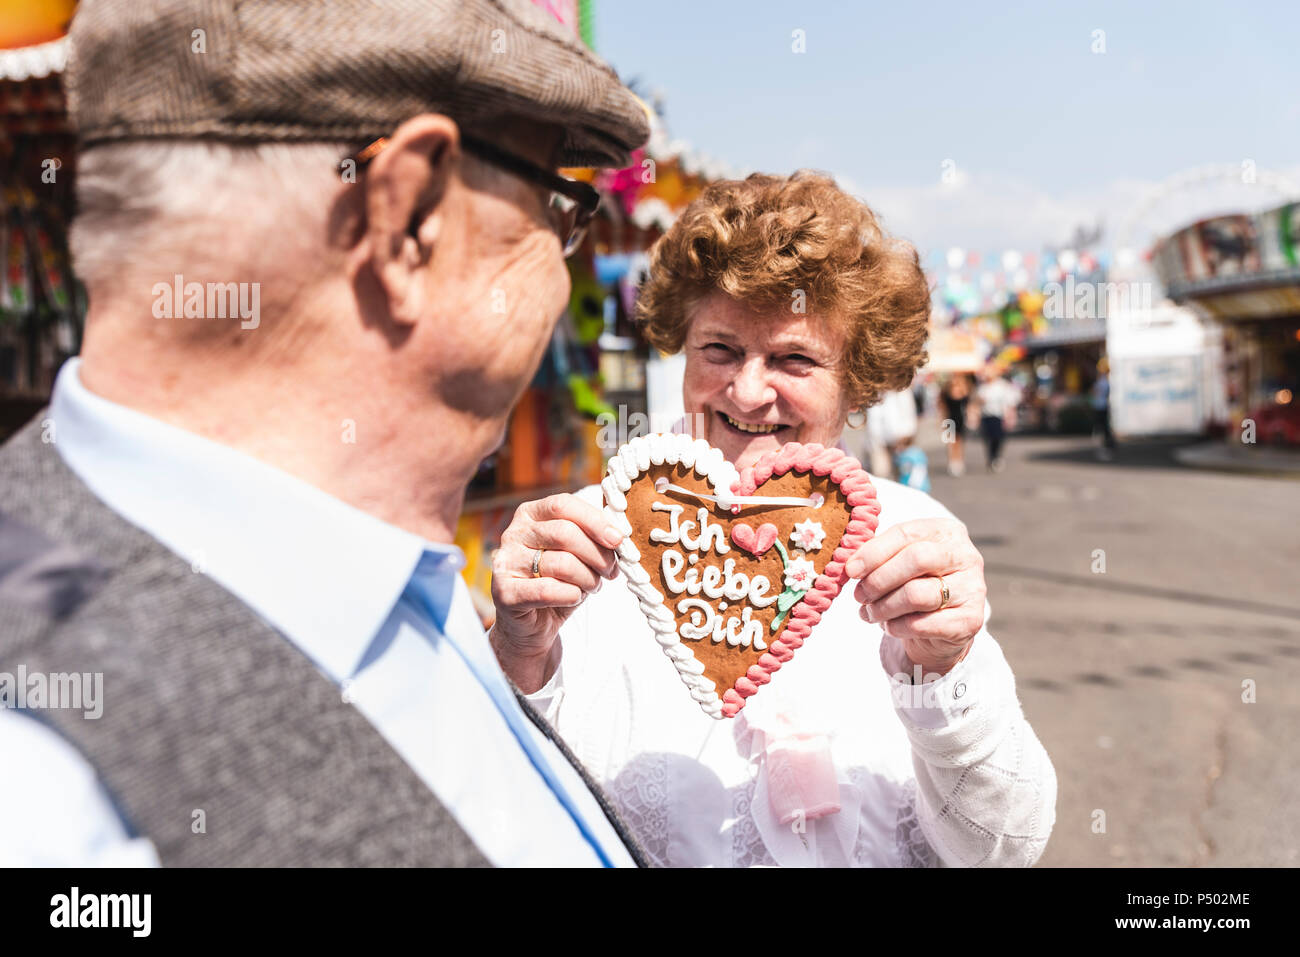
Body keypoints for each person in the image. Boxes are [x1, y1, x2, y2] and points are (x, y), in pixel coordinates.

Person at [0, 0, 652, 867]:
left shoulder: (394, 572)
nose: (560, 271)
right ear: (411, 218)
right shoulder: (45, 789)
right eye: (561, 209)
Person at [489, 172, 1057, 867]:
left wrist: (947, 669)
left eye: (793, 358)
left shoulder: (911, 541)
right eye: (720, 349)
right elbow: (496, 816)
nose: (749, 390)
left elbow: (1003, 848)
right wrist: (519, 660)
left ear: (857, 380)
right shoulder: (593, 540)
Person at [975, 367, 1020, 473]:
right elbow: (977, 402)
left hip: (999, 416)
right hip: (986, 415)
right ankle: (991, 458)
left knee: (999, 437)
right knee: (988, 438)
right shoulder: (983, 387)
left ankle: (996, 457)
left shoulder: (1002, 386)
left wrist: (1011, 416)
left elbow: (1010, 402)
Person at [939, 373, 972, 476]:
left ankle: (959, 462)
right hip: (949, 420)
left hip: (960, 420)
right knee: (951, 443)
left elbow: (968, 407)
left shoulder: (964, 394)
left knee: (960, 442)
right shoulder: (946, 394)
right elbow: (942, 409)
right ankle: (952, 462)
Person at [1091, 357, 1115, 460]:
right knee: (1103, 427)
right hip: (1102, 406)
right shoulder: (1105, 381)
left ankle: (1106, 446)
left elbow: (1095, 392)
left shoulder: (1103, 381)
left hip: (1101, 406)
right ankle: (1106, 445)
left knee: (1102, 428)